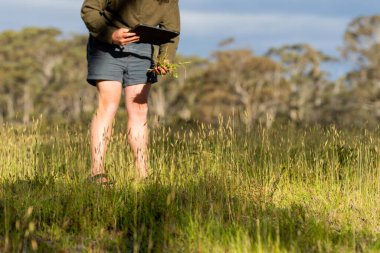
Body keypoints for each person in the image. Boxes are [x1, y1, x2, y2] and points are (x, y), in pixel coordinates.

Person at [80, 0, 180, 183]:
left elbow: (172, 31)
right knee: (108, 104)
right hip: (106, 46)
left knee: (139, 109)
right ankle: (97, 172)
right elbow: (89, 10)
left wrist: (165, 60)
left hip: (142, 49)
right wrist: (111, 34)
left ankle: (142, 175)